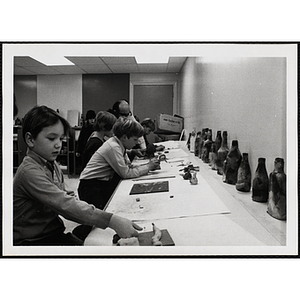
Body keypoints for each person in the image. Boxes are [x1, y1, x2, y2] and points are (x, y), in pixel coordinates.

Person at [13, 105, 142, 246]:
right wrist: (111, 220)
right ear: (30, 139)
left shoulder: (51, 163)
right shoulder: (29, 171)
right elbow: (64, 205)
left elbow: (60, 193)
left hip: (52, 233)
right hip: (32, 241)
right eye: (51, 139)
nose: (58, 145)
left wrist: (66, 194)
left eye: (61, 139)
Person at [73, 118, 160, 240]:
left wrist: (145, 166)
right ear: (124, 137)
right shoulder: (113, 147)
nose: (136, 143)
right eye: (135, 139)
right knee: (97, 222)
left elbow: (127, 166)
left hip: (99, 183)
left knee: (102, 218)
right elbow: (126, 173)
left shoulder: (119, 145)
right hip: (90, 186)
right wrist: (148, 167)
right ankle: (79, 238)